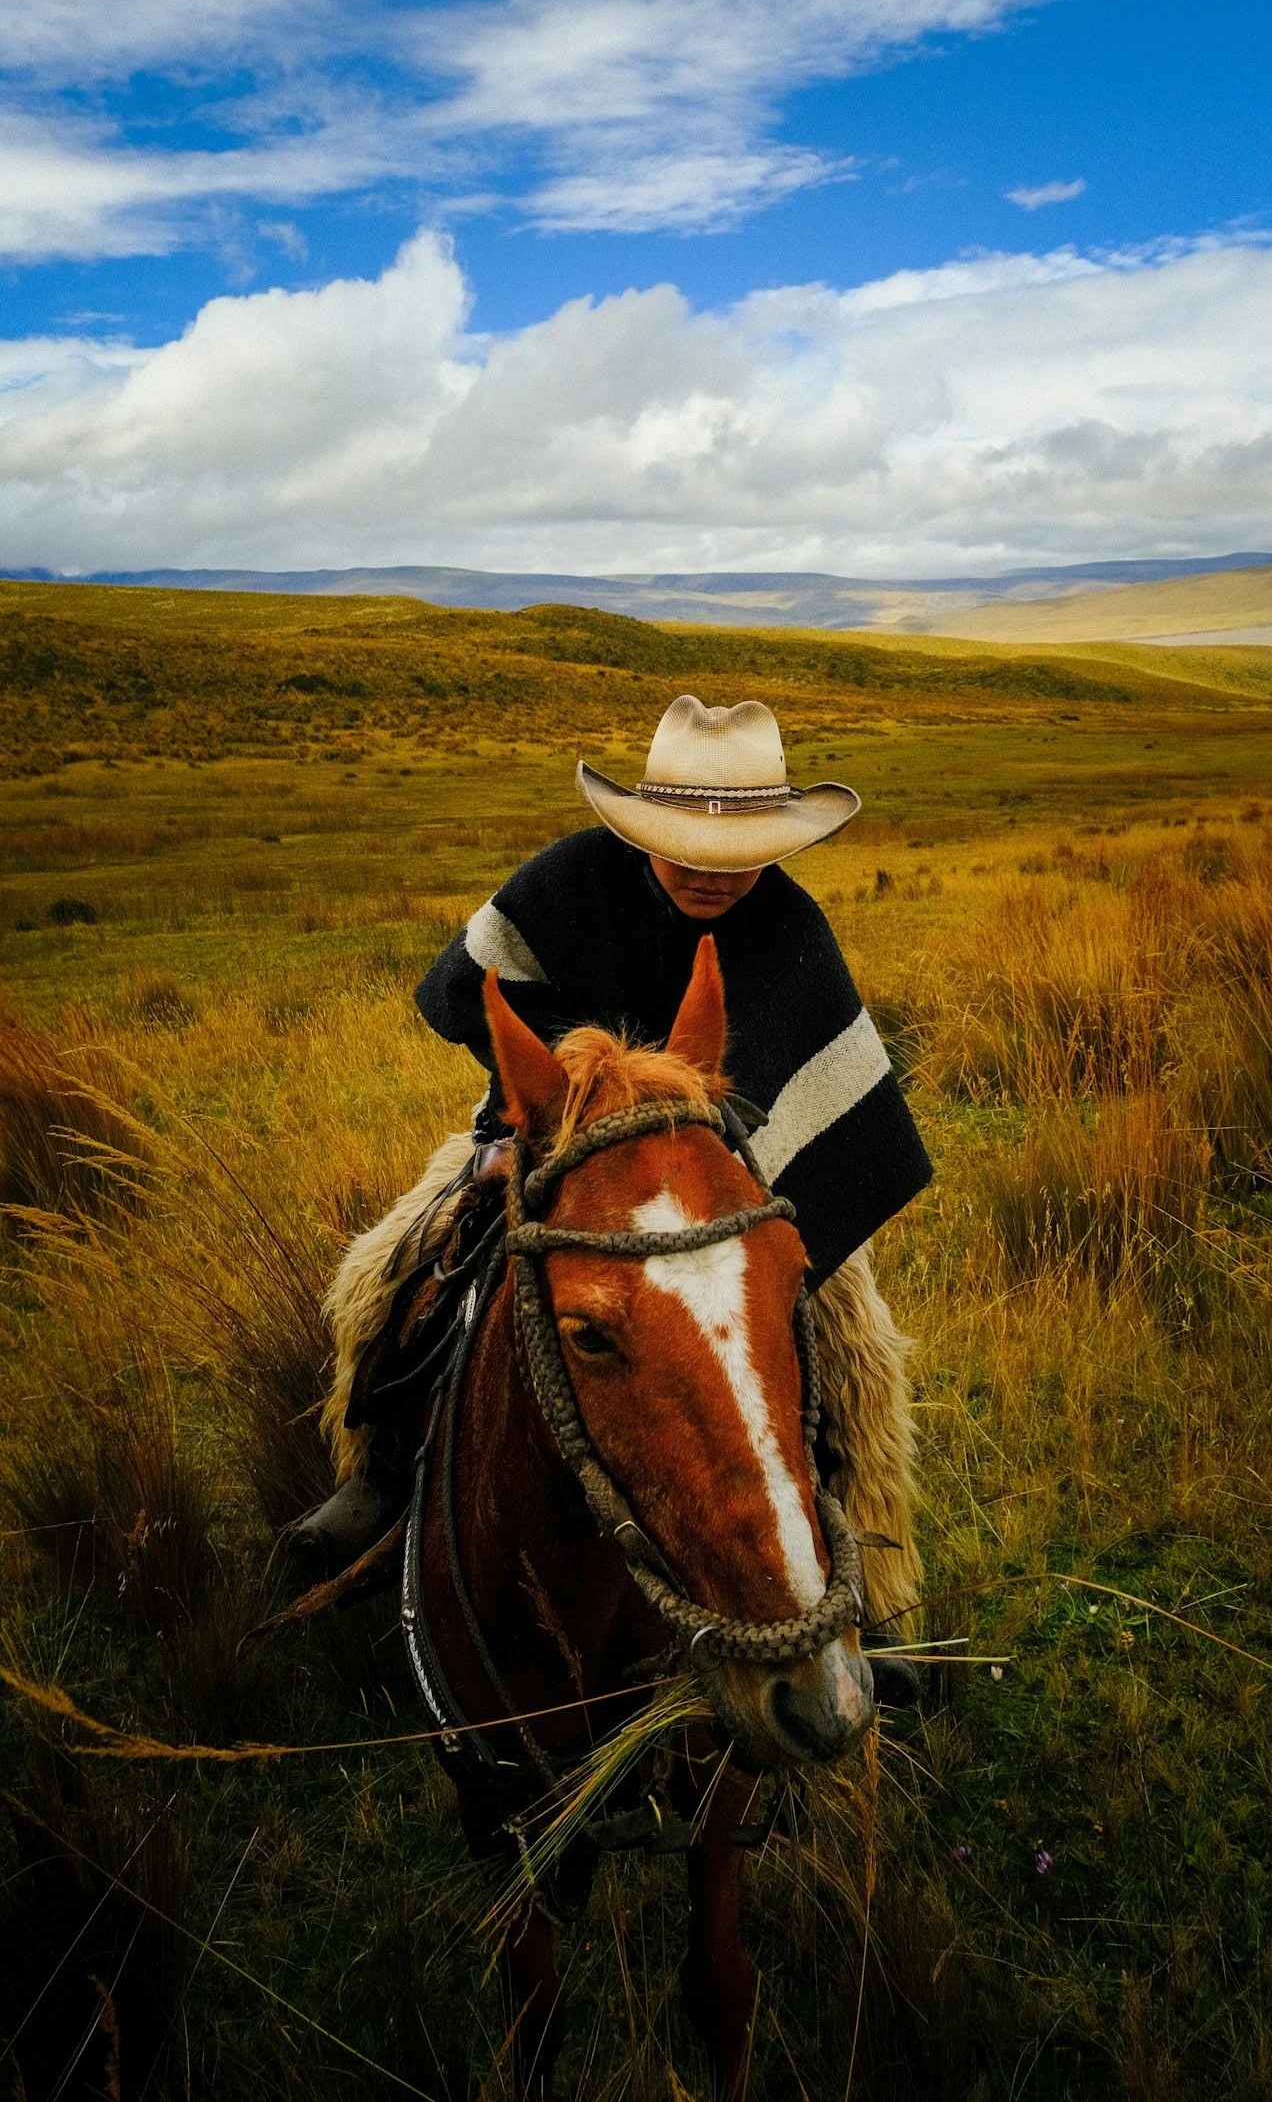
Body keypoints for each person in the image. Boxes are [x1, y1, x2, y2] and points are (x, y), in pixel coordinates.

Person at [292, 696, 932, 1687]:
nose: (715, 875)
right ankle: (377, 1470)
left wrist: (724, 1169)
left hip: (729, 1172)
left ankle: (861, 1578)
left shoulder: (786, 923)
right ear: (641, 830)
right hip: (544, 1131)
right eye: (688, 850)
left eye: (741, 854)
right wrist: (554, 1103)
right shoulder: (565, 881)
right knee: (394, 1258)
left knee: (851, 1338)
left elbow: (799, 1081)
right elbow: (472, 987)